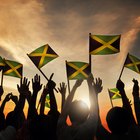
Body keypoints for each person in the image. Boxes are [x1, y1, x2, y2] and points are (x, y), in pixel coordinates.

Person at [57, 74, 103, 140]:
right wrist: (90, 85)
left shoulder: (61, 130)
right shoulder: (88, 130)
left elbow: (64, 110)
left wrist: (75, 86)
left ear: (69, 114)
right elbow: (94, 110)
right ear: (87, 115)